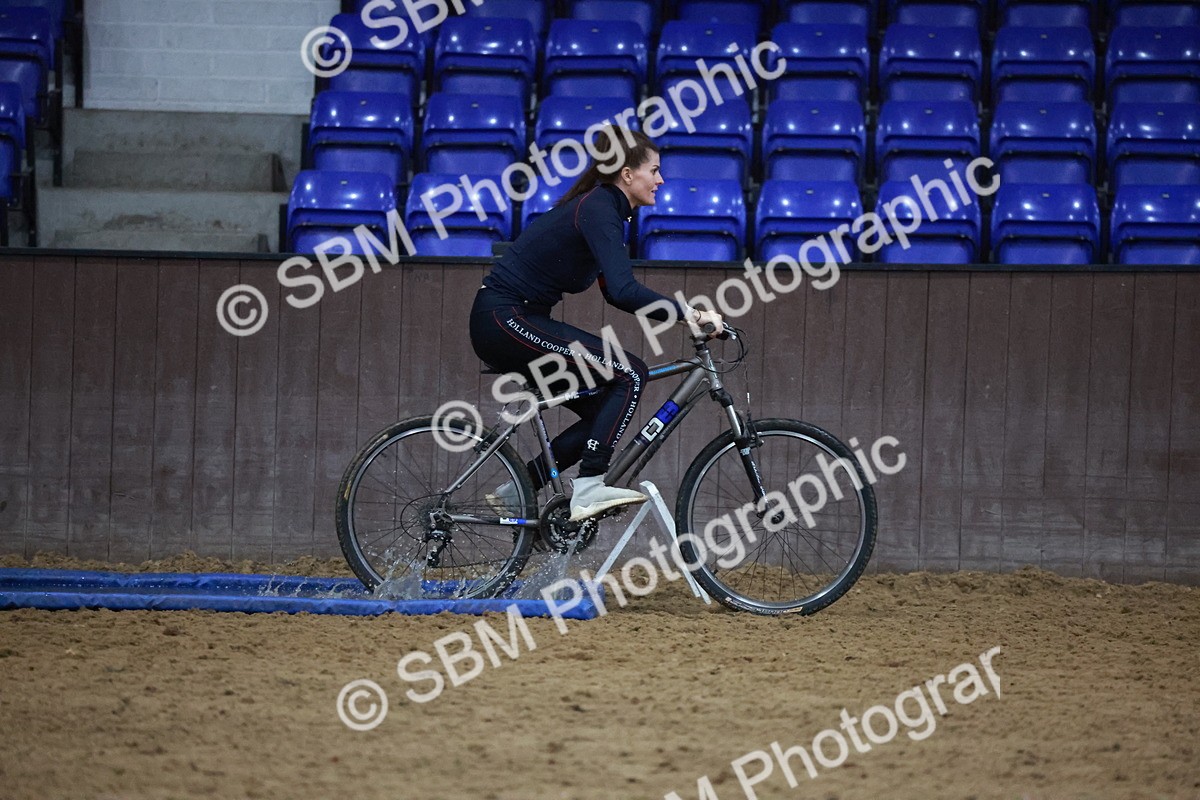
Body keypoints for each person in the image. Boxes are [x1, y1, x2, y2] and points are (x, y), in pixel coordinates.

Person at [469, 126, 724, 521]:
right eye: (654, 170)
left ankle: (516, 490)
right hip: (504, 318)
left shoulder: (605, 211)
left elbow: (613, 291)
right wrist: (688, 315)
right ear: (627, 174)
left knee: (603, 406)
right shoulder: (600, 207)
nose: (660, 179)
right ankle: (588, 488)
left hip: (515, 318)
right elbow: (623, 290)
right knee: (630, 374)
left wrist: (682, 317)